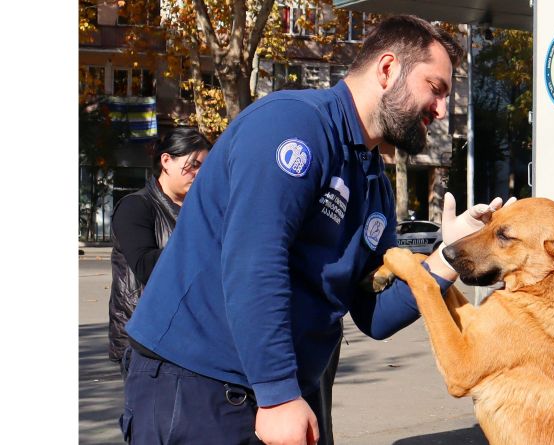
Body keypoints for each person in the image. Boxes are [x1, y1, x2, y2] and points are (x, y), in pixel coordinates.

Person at [122, 15, 508, 445]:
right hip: (199, 385)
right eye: (434, 88)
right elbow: (254, 261)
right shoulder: (292, 126)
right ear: (387, 69)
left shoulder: (373, 184)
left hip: (280, 392)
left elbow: (374, 315)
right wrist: (278, 395)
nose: (439, 110)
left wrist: (449, 256)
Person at [107, 127, 211, 378]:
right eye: (193, 165)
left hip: (193, 337)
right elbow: (145, 266)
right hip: (145, 341)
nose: (199, 174)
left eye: (203, 168)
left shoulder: (201, 208)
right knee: (155, 417)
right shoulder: (136, 207)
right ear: (166, 161)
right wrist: (200, 235)